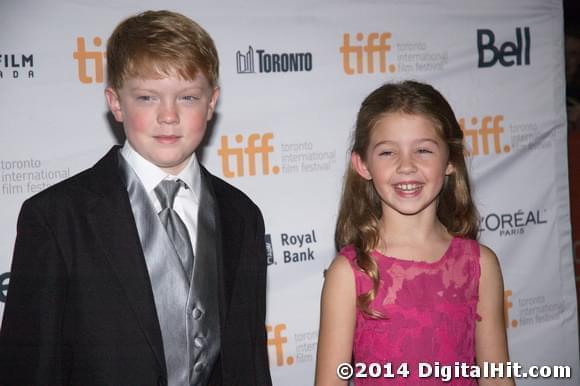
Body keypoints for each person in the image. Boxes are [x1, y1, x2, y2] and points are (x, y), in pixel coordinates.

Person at [0, 10, 272, 386]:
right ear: (115, 103)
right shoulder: (57, 218)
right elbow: (29, 369)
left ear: (211, 103)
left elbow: (250, 363)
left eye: (188, 97)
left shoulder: (242, 214)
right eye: (146, 97)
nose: (169, 116)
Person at [315, 81, 513, 385]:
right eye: (387, 153)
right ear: (363, 165)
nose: (406, 166)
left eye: (423, 150)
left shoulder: (480, 265)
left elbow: (497, 377)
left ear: (450, 161)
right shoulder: (350, 273)